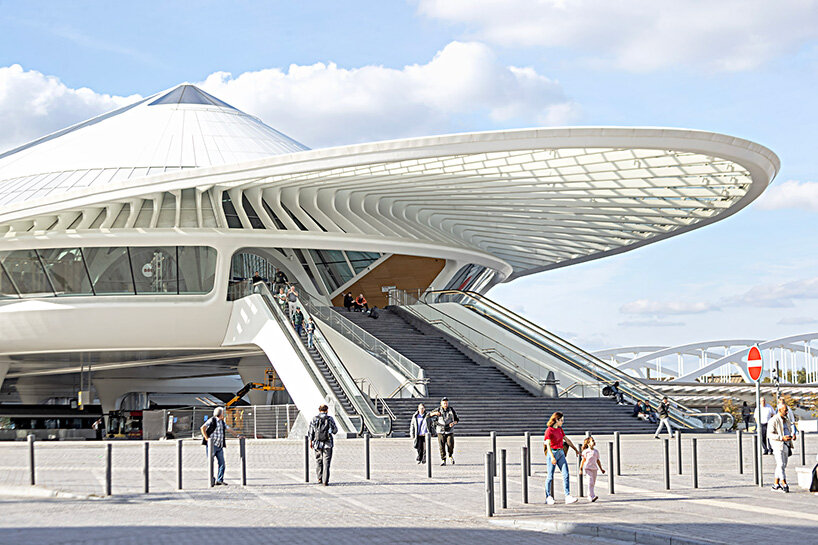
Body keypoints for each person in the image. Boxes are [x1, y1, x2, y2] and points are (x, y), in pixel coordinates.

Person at [544, 411, 579, 504]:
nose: (563, 422)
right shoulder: (549, 430)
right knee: (550, 476)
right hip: (553, 453)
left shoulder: (560, 429)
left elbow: (566, 440)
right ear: (556, 420)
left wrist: (575, 449)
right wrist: (552, 457)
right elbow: (548, 445)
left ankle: (567, 496)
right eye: (561, 420)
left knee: (566, 474)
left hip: (561, 453)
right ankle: (548, 497)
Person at [200, 406, 242, 486]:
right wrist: (206, 438)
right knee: (211, 463)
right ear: (220, 414)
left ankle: (220, 480)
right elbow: (202, 428)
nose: (224, 414)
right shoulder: (212, 420)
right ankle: (211, 479)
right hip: (212, 445)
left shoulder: (222, 422)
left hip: (220, 446)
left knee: (222, 463)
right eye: (223, 413)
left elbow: (229, 429)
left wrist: (237, 436)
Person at [308, 404, 338, 485]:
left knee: (318, 461)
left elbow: (311, 431)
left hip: (317, 443)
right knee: (326, 462)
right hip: (328, 443)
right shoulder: (330, 419)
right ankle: (325, 481)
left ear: (319, 410)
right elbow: (335, 430)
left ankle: (319, 478)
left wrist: (310, 442)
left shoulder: (315, 419)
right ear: (327, 410)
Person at [768, 402, 794, 492]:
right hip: (777, 445)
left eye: (787, 410)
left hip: (786, 444)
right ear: (779, 410)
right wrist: (781, 438)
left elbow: (789, 429)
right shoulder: (773, 420)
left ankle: (775, 484)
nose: (787, 412)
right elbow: (770, 434)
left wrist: (792, 435)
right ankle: (784, 484)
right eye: (785, 410)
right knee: (780, 464)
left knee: (783, 465)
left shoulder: (786, 419)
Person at [430, 397, 458, 465]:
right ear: (441, 404)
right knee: (441, 446)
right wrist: (435, 413)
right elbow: (429, 415)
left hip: (449, 430)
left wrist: (453, 423)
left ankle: (450, 455)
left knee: (450, 444)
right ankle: (443, 459)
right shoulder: (438, 410)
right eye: (444, 403)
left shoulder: (451, 410)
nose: (445, 404)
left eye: (446, 403)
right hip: (440, 430)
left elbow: (457, 419)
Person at [579, 436, 605, 502]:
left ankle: (591, 495)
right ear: (588, 443)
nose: (594, 442)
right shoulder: (586, 451)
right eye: (592, 441)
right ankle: (590, 496)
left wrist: (601, 469)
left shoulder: (596, 451)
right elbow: (583, 460)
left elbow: (598, 461)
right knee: (590, 482)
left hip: (594, 469)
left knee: (593, 483)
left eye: (594, 441)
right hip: (588, 468)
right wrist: (580, 469)